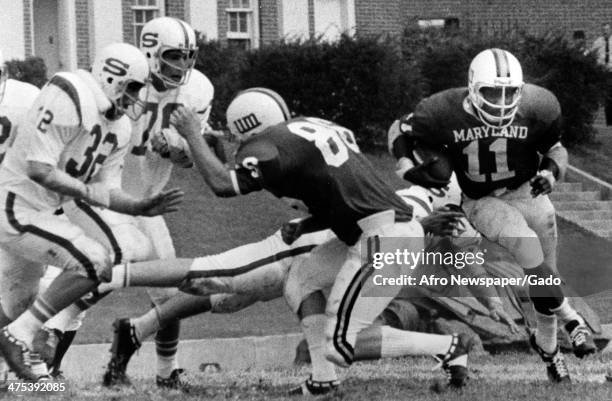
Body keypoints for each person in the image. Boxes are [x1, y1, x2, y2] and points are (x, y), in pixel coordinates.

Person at [161, 87, 475, 390]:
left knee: (339, 342)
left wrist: (192, 135)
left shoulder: (424, 199)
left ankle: (447, 347)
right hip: (373, 248)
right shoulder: (320, 143)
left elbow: (402, 226)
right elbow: (353, 204)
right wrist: (306, 225)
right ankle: (324, 379)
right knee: (301, 280)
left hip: (386, 254)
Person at [392, 48, 595, 383]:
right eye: (491, 91)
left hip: (526, 189)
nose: (501, 101)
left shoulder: (539, 106)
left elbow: (556, 148)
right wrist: (404, 165)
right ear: (472, 87)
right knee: (526, 245)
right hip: (481, 199)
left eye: (509, 92)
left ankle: (549, 350)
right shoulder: (441, 110)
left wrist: (551, 173)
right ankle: (574, 321)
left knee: (544, 276)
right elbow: (402, 131)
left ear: (521, 89)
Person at [32, 17, 215, 389]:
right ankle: (37, 365)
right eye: (174, 56)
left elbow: (198, 155)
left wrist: (181, 149)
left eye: (188, 56)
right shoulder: (125, 77)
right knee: (83, 281)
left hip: (143, 202)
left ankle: (165, 371)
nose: (183, 65)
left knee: (169, 287)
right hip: (100, 195)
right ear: (150, 53)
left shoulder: (197, 91)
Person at [0, 42, 183, 381]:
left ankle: (29, 371)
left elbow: (108, 190)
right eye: (131, 87)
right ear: (111, 76)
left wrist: (138, 207)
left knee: (16, 307)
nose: (135, 98)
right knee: (94, 261)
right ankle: (23, 336)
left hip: (44, 214)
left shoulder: (119, 128)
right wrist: (86, 191)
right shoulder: (70, 94)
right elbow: (39, 169)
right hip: (16, 208)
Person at [0, 48, 41, 385]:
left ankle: (32, 367)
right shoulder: (25, 97)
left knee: (24, 293)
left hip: (17, 205)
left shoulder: (27, 99)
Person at [591, 22, 612, 125]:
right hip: (604, 74)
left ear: (610, 30)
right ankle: (609, 121)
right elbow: (592, 55)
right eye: (603, 30)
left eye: (607, 29)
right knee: (607, 97)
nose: (605, 32)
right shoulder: (598, 42)